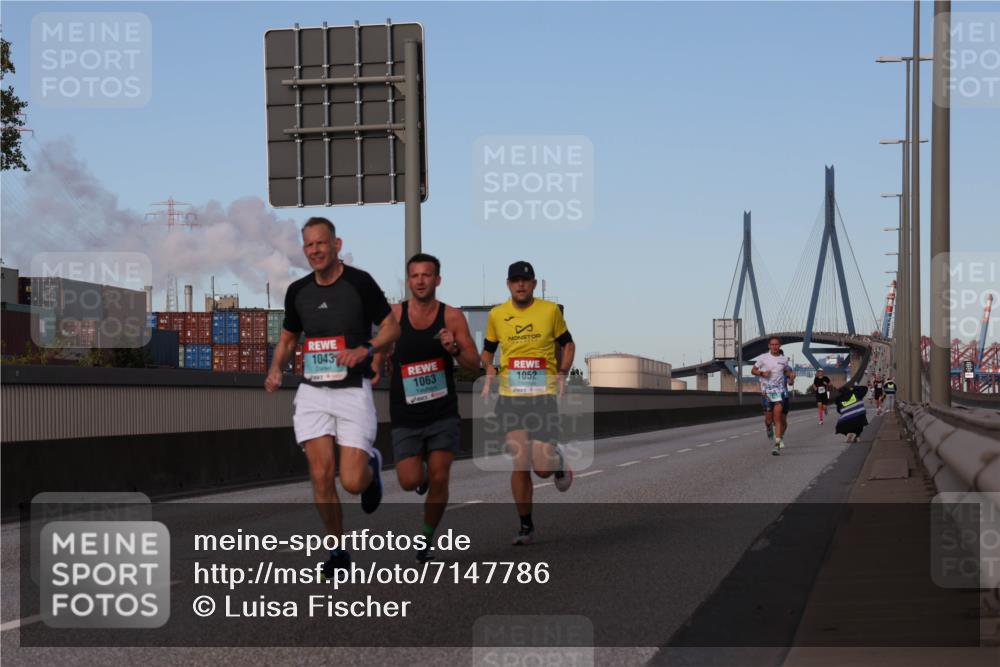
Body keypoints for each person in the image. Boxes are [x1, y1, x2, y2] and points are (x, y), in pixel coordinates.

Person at [265, 217, 400, 577]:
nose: (315, 251)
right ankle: (338, 550)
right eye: (309, 245)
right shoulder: (298, 291)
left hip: (352, 389)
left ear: (336, 245)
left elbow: (392, 328)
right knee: (321, 474)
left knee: (352, 482)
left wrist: (365, 349)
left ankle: (371, 465)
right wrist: (276, 368)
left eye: (321, 243)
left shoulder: (360, 283)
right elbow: (288, 339)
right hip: (313, 391)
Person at [379, 253, 480, 563]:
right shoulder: (395, 314)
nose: (420, 281)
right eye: (415, 276)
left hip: (442, 413)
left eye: (426, 275)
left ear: (437, 280)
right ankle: (419, 476)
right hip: (406, 414)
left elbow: (473, 364)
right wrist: (376, 362)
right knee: (409, 480)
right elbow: (378, 349)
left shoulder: (452, 317)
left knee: (440, 476)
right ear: (408, 281)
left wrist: (454, 348)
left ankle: (425, 538)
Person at [480, 261, 575, 546]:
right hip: (511, 397)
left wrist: (562, 371)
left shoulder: (550, 311)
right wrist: (489, 367)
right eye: (515, 281)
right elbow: (487, 351)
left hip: (542, 397)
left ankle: (557, 459)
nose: (520, 285)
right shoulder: (497, 314)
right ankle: (525, 526)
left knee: (542, 468)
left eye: (525, 280)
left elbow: (568, 344)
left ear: (533, 284)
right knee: (519, 463)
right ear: (508, 285)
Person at [751, 337, 796, 456]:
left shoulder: (784, 359)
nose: (774, 346)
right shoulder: (763, 357)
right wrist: (762, 373)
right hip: (766, 392)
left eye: (776, 344)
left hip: (779, 392)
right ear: (769, 346)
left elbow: (786, 371)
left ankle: (777, 445)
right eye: (772, 344)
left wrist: (791, 375)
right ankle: (768, 427)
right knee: (768, 420)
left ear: (779, 346)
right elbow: (753, 370)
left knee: (778, 419)